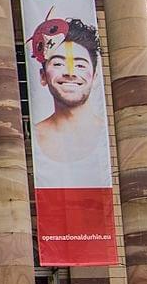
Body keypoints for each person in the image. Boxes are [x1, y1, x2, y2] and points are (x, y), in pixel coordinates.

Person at [28, 14, 111, 186]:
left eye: (80, 65)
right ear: (43, 76)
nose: (70, 73)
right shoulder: (35, 134)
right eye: (58, 64)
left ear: (95, 77)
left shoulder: (106, 135)